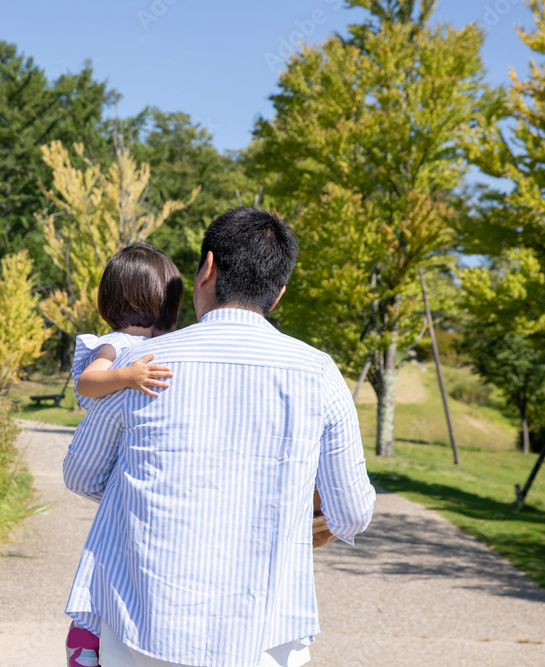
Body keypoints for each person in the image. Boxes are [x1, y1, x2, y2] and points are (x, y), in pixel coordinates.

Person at [63, 207, 376, 667]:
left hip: (140, 627)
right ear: (279, 294)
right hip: (264, 638)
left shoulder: (140, 366)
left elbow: (82, 475)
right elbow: (350, 513)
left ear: (206, 269)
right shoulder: (319, 374)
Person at [65, 243, 185, 667]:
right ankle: (85, 642)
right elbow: (87, 383)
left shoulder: (164, 344)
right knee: (108, 561)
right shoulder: (115, 344)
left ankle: (90, 639)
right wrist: (127, 376)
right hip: (116, 446)